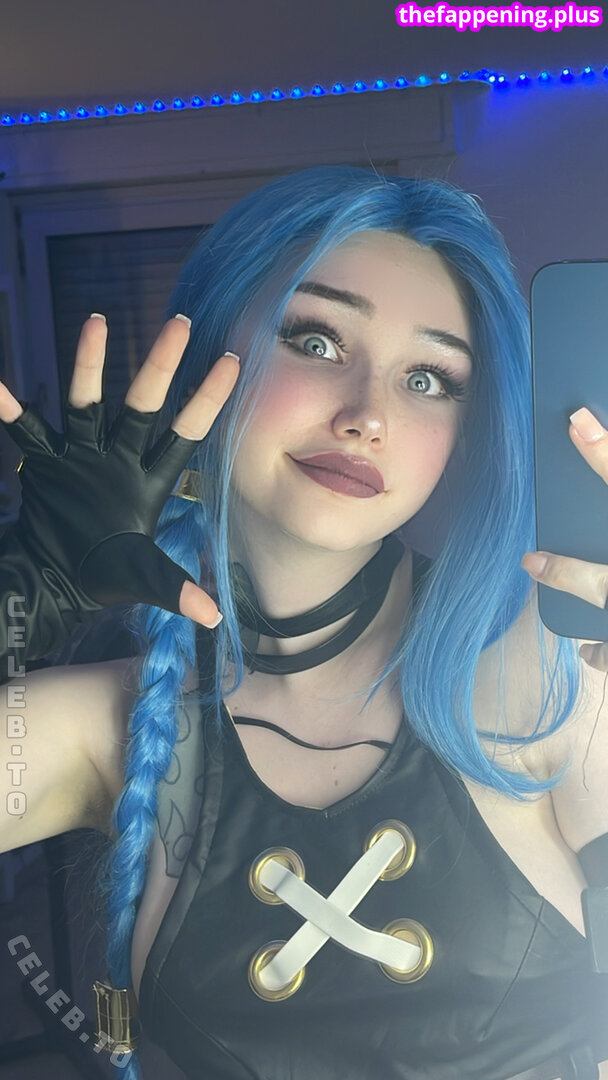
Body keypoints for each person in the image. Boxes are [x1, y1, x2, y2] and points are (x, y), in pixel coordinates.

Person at [0, 165, 607, 1080]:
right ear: (209, 364)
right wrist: (12, 596)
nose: (367, 416)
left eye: (430, 378)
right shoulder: (116, 728)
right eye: (316, 340)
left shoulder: (557, 676)